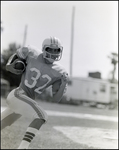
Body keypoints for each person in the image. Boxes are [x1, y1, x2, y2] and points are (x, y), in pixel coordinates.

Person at [1, 36, 68, 149]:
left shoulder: (60, 72)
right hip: (18, 95)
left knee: (3, 122)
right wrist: (10, 66)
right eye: (50, 49)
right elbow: (11, 62)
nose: (54, 53)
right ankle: (23, 148)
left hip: (25, 101)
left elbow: (55, 99)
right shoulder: (31, 52)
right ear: (44, 49)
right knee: (41, 116)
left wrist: (63, 85)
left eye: (56, 50)